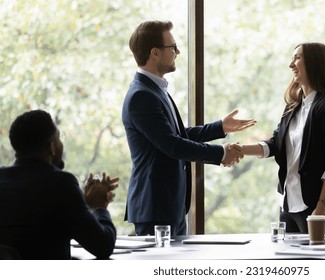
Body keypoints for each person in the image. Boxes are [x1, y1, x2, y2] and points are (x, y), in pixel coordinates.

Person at [122, 20, 256, 236]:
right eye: (172, 47)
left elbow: (175, 135)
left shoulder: (154, 90)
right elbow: (173, 145)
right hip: (155, 208)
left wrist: (219, 127)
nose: (178, 52)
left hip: (169, 207)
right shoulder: (142, 96)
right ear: (155, 53)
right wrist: (221, 153)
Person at [240, 42, 325, 233]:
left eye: (297, 58)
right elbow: (275, 144)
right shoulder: (293, 106)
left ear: (315, 64)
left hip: (314, 209)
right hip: (288, 205)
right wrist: (240, 150)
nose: (291, 64)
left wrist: (321, 209)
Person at [0, 110, 119, 259]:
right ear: (52, 146)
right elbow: (103, 246)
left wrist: (82, 203)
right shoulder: (62, 184)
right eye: (59, 138)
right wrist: (99, 207)